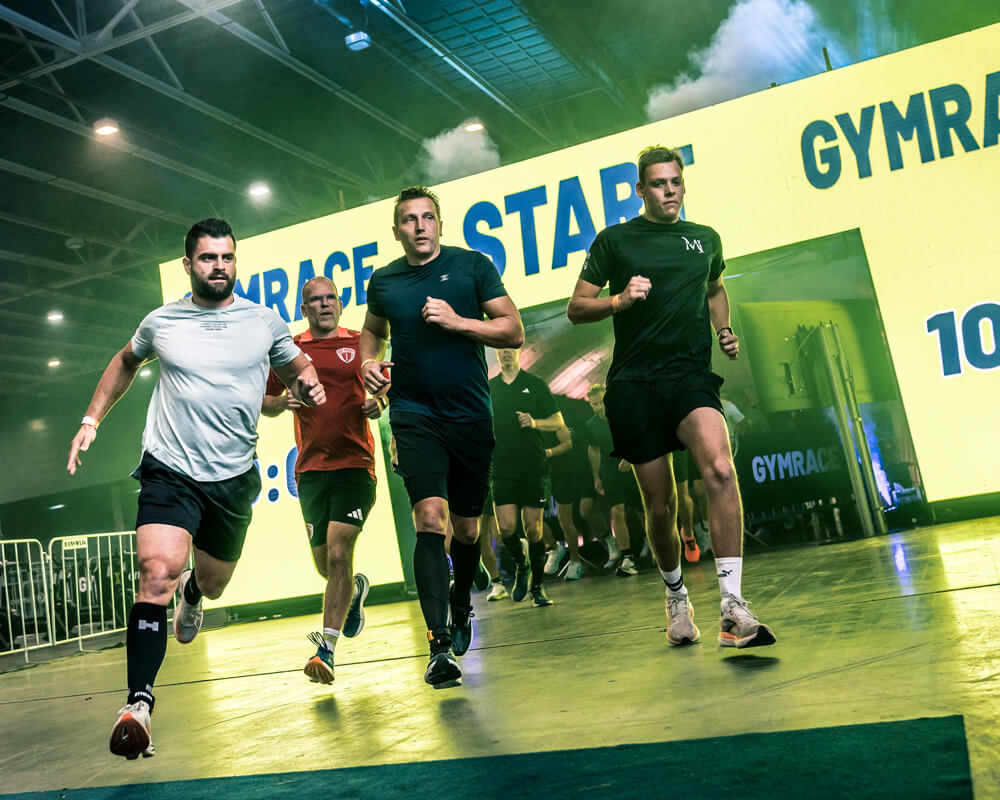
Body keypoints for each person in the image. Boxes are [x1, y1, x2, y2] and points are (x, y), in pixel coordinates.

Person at [67, 218, 325, 759]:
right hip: (169, 466)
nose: (219, 267)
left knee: (212, 582)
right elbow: (124, 362)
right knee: (155, 572)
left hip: (231, 477)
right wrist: (91, 421)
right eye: (208, 258)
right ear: (189, 265)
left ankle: (193, 594)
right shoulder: (162, 322)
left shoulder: (263, 321)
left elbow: (297, 365)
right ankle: (138, 703)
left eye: (227, 257)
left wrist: (309, 382)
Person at [567, 145, 776, 649]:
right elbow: (576, 307)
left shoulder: (704, 239)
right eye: (658, 184)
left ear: (683, 184)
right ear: (641, 190)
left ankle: (732, 607)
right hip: (634, 385)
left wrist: (723, 327)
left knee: (721, 470)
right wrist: (619, 299)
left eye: (675, 182)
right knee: (660, 508)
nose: (669, 191)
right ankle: (676, 598)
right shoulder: (615, 240)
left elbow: (715, 287)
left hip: (689, 376)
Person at [359, 186, 523, 688]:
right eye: (409, 220)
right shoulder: (384, 280)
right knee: (430, 519)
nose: (419, 227)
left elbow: (512, 330)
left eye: (427, 217)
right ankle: (436, 648)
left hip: (470, 415)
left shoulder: (472, 266)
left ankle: (460, 605)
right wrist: (367, 363)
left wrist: (458, 322)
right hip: (413, 414)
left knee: (469, 530)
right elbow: (372, 332)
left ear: (440, 224)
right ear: (397, 231)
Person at [262, 275, 383, 685]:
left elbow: (382, 389)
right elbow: (263, 400)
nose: (324, 305)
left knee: (337, 553)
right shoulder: (291, 350)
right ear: (304, 309)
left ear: (340, 304)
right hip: (311, 472)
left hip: (355, 465)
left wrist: (377, 402)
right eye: (315, 300)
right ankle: (354, 593)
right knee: (325, 566)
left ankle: (325, 650)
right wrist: (280, 402)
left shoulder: (359, 344)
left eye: (331, 298)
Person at [488, 347, 564, 606]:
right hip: (503, 467)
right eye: (502, 350)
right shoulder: (489, 387)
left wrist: (534, 422)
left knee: (534, 530)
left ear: (518, 352)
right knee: (506, 528)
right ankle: (522, 564)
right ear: (497, 354)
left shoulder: (534, 384)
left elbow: (558, 422)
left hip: (533, 466)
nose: (506, 353)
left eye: (511, 349)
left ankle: (538, 588)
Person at [584, 384, 643, 576]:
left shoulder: (623, 415)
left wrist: (630, 455)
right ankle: (627, 557)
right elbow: (593, 450)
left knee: (643, 512)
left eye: (601, 402)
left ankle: (657, 548)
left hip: (634, 471)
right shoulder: (591, 425)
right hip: (610, 473)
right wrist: (596, 477)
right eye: (594, 404)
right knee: (617, 512)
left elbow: (639, 436)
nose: (598, 407)